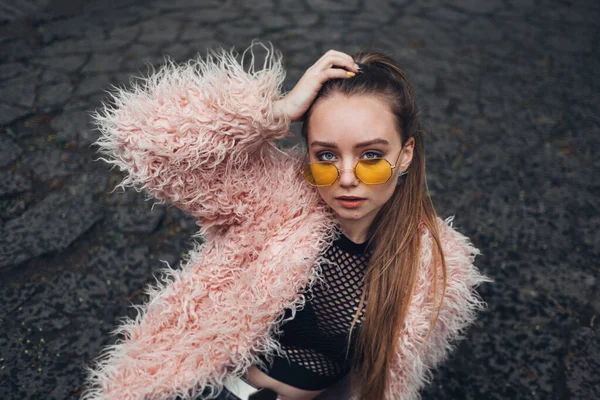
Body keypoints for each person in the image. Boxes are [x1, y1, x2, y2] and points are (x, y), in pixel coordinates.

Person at [82, 42, 492, 400]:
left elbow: (393, 381)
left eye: (370, 156)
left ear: (404, 155)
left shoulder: (435, 265)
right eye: (326, 156)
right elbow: (140, 141)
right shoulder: (277, 202)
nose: (346, 178)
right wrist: (276, 111)